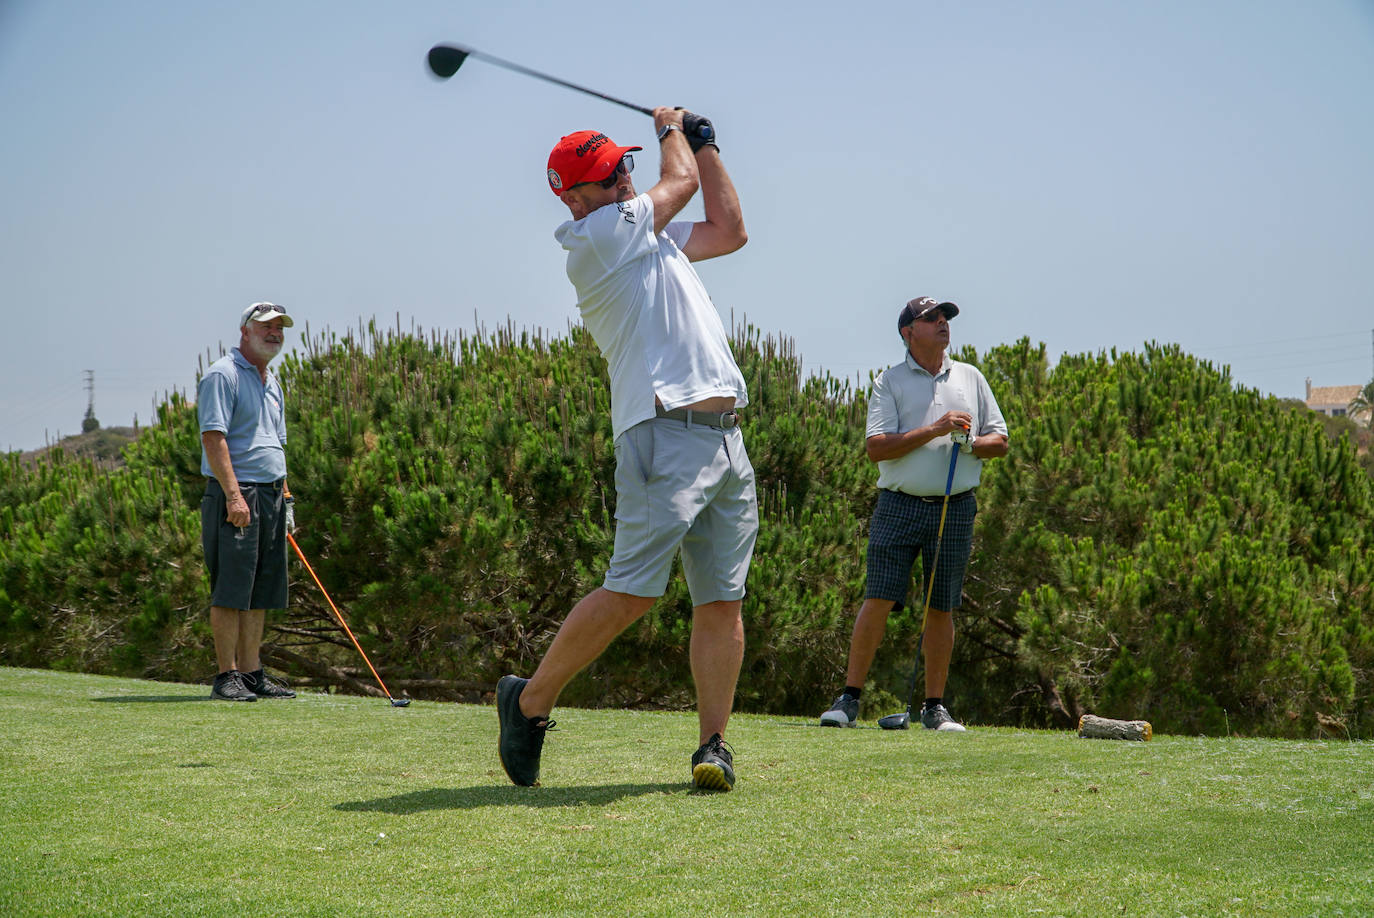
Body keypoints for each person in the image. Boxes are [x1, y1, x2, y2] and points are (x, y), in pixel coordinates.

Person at [496, 108, 756, 791]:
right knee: (633, 592)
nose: (629, 178)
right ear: (581, 198)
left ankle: (713, 745)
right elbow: (680, 184)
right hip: (662, 434)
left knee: (722, 601)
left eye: (627, 166)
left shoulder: (649, 237)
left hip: (726, 439)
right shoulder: (600, 236)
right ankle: (528, 702)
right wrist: (674, 128)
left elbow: (731, 230)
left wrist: (708, 144)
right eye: (616, 174)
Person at [819, 297, 1008, 730]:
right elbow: (877, 447)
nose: (943, 323)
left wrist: (971, 445)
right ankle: (849, 700)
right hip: (899, 505)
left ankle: (934, 707)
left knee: (941, 606)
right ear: (909, 332)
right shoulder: (890, 382)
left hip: (955, 506)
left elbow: (999, 441)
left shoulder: (970, 377)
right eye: (931, 319)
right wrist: (937, 429)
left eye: (945, 318)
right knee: (879, 598)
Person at [197, 302, 298, 702]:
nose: (274, 333)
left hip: (271, 494)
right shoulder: (223, 375)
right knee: (231, 588)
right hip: (237, 495)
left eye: (279, 328)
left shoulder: (273, 382)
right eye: (265, 326)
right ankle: (227, 676)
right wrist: (234, 496)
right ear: (245, 331)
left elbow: (278, 445)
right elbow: (213, 437)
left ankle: (253, 673)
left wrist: (286, 500)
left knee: (261, 589)